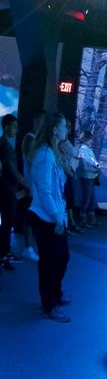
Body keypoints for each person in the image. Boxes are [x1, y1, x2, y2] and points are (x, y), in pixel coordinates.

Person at [27, 112, 71, 323]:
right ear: (54, 129)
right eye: (63, 126)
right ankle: (50, 303)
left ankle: (55, 294)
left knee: (60, 258)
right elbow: (45, 191)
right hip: (46, 217)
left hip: (53, 215)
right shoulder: (45, 155)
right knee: (50, 261)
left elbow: (59, 186)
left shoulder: (53, 152)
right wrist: (56, 218)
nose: (66, 130)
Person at [0, 114, 30, 270]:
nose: (16, 130)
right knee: (7, 223)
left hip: (7, 189)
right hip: (7, 191)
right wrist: (27, 185)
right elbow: (12, 170)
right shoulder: (5, 146)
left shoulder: (5, 144)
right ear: (6, 127)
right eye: (14, 126)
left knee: (6, 224)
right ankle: (4, 254)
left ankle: (4, 253)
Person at [17, 110, 44, 262]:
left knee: (32, 216)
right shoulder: (30, 138)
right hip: (30, 185)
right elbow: (32, 161)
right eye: (40, 121)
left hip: (34, 185)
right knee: (29, 216)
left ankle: (29, 246)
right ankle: (27, 247)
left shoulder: (35, 139)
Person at [76, 130, 100, 227]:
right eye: (90, 139)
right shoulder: (83, 150)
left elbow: (93, 161)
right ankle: (83, 219)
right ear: (86, 139)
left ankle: (91, 218)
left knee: (91, 199)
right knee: (86, 199)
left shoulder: (88, 150)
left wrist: (96, 166)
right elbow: (84, 166)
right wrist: (94, 169)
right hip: (87, 177)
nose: (92, 141)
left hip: (91, 177)